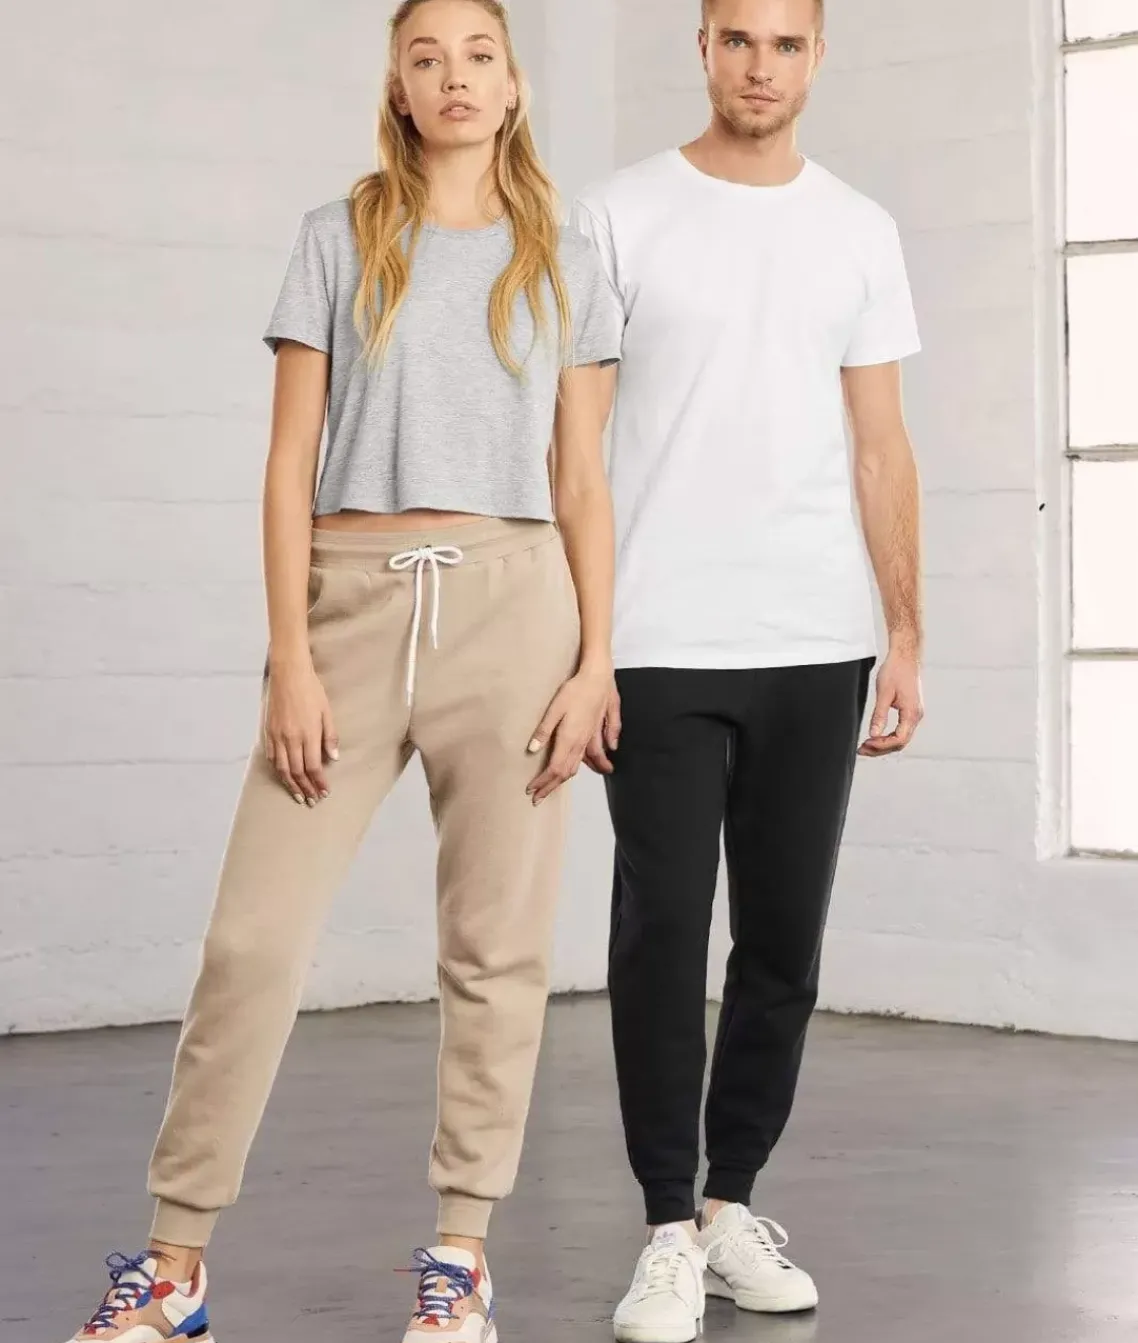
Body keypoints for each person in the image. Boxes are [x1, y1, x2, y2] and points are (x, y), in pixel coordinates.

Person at [66, 2, 620, 1340]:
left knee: (495, 949)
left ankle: (460, 1255)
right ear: (397, 85)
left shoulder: (567, 252)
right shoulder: (338, 235)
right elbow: (285, 467)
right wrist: (290, 661)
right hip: (349, 607)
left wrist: (597, 659)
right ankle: (176, 1265)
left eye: (477, 55)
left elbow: (582, 478)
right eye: (426, 57)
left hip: (515, 608)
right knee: (252, 943)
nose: (454, 77)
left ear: (513, 83)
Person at [571, 0, 924, 1337]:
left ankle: (729, 1208)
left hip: (818, 636)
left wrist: (905, 633)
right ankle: (665, 1226)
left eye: (784, 43)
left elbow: (881, 446)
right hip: (658, 637)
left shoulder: (858, 228)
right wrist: (585, 645)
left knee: (782, 940)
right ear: (703, 48)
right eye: (736, 40)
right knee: (661, 933)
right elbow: (574, 451)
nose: (758, 66)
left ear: (816, 55)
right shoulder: (618, 214)